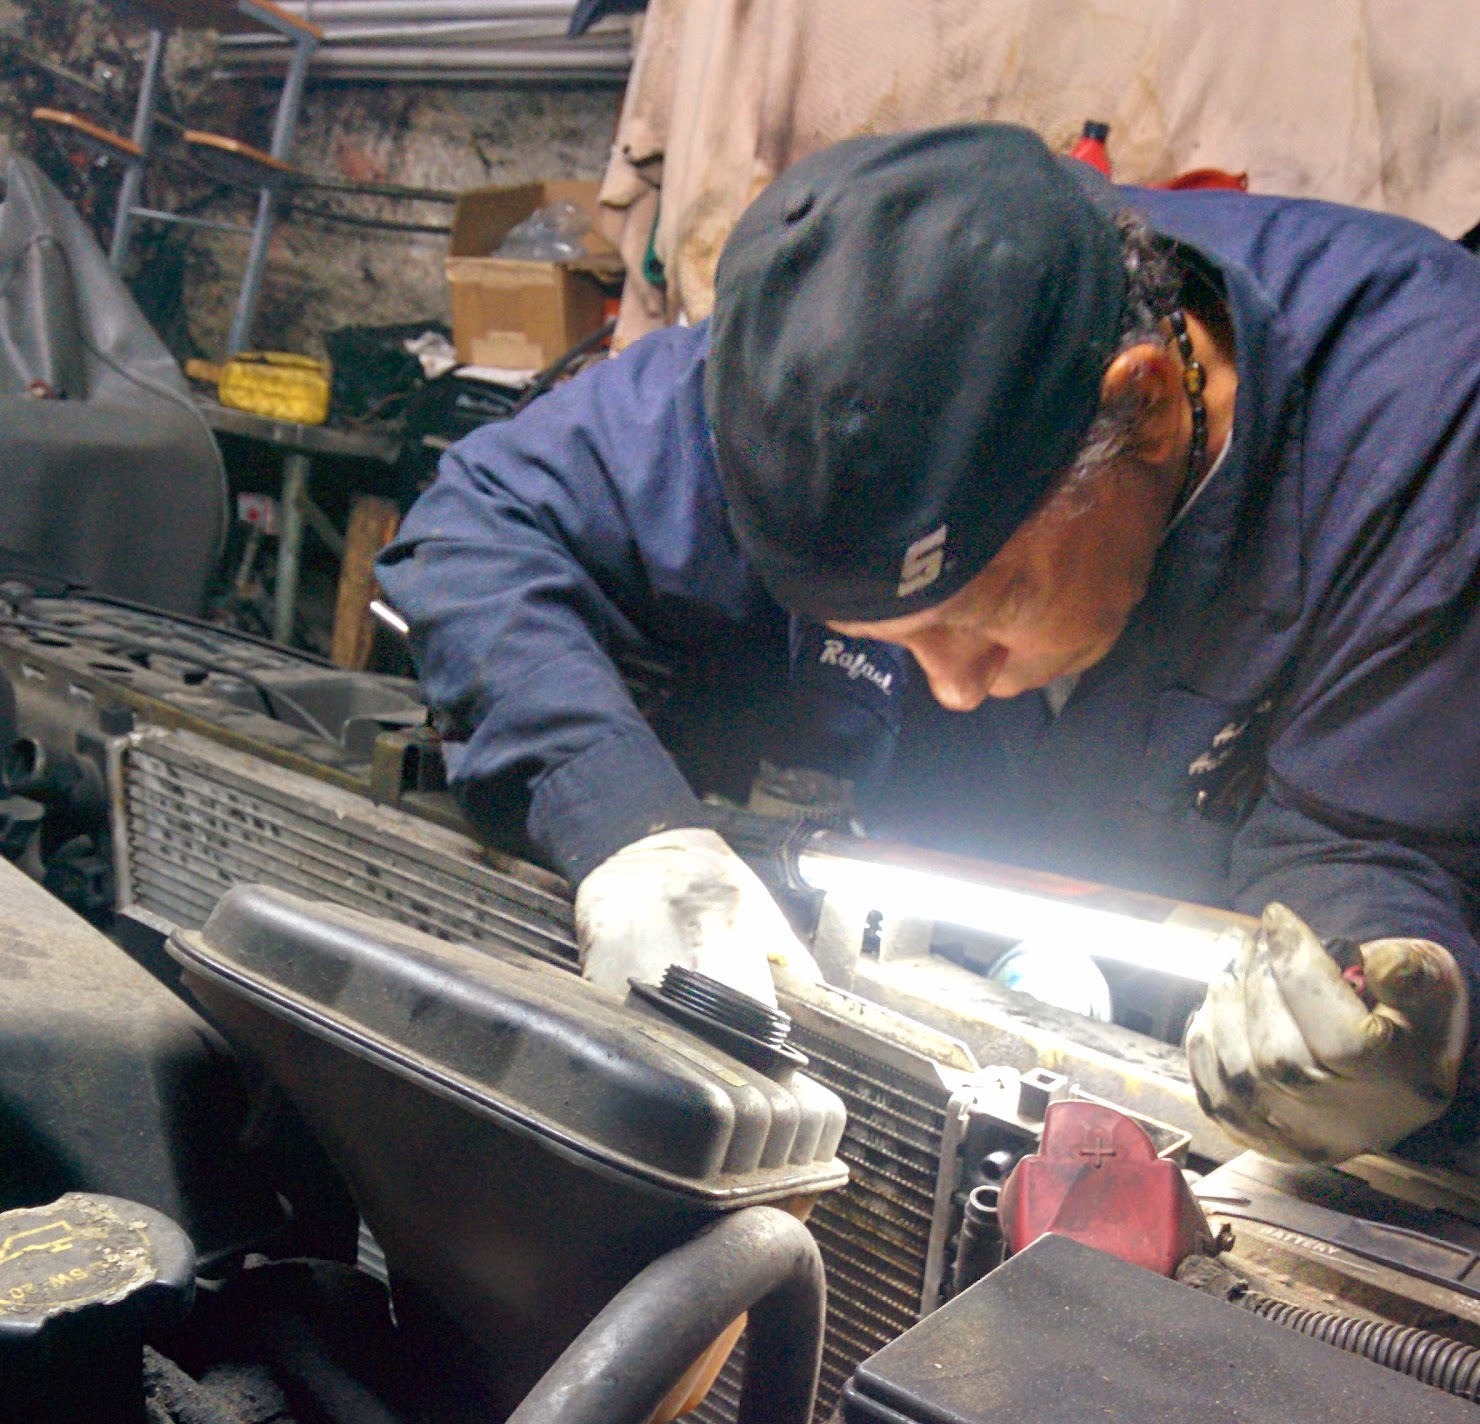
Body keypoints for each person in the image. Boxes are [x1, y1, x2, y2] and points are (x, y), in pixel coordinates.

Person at [378, 124, 1480, 1166]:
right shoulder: (841, 358)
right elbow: (480, 527)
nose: (951, 687)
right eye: (883, 639)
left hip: (1186, 1098)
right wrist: (628, 828)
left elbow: (1371, 855)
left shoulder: (1425, 429)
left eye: (985, 610)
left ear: (1144, 411)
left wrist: (1385, 1011)